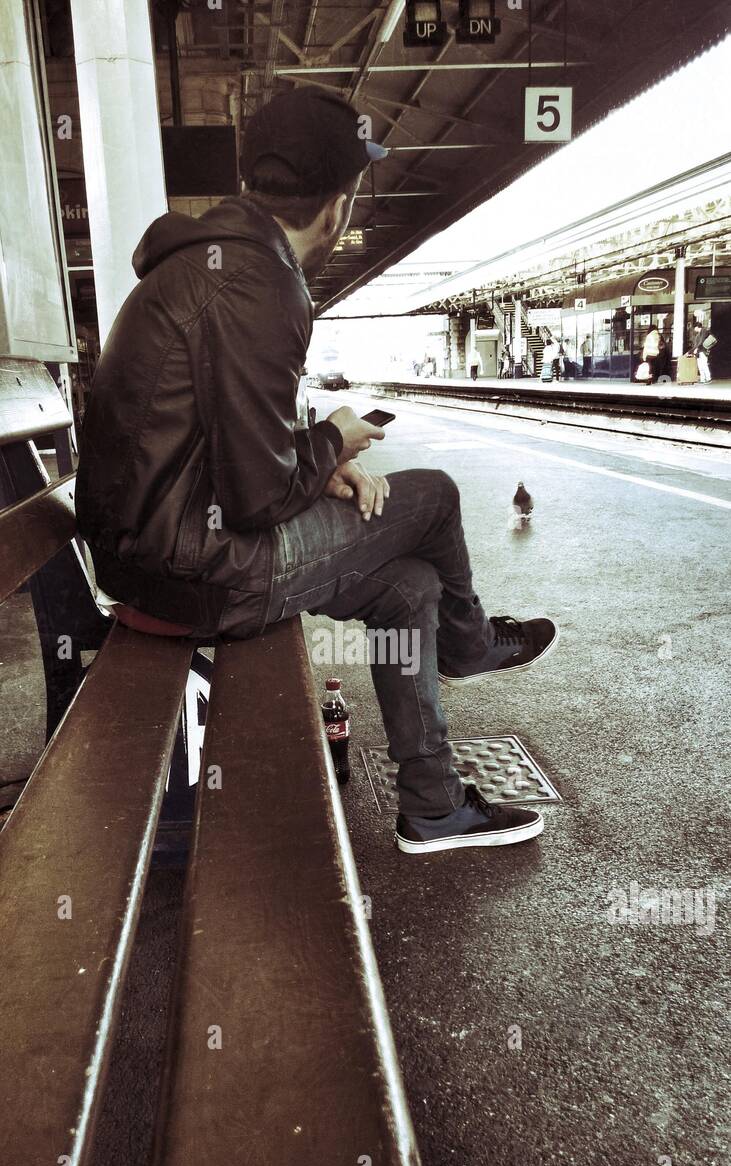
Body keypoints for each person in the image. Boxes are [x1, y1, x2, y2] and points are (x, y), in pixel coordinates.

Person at [76, 86, 558, 856]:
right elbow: (258, 493)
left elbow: (227, 448)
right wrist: (332, 441)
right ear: (339, 203)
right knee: (432, 497)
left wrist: (322, 470)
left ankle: (432, 807)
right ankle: (471, 648)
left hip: (156, 561)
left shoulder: (210, 263)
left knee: (411, 587)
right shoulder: (258, 282)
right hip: (196, 571)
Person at [693, 319, 715, 383]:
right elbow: (697, 344)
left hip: (703, 351)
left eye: (694, 327)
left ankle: (708, 378)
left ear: (697, 327)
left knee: (704, 365)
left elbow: (701, 341)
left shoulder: (704, 331)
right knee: (700, 366)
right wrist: (692, 351)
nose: (694, 329)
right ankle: (703, 379)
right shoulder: (698, 334)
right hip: (699, 352)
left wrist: (696, 349)